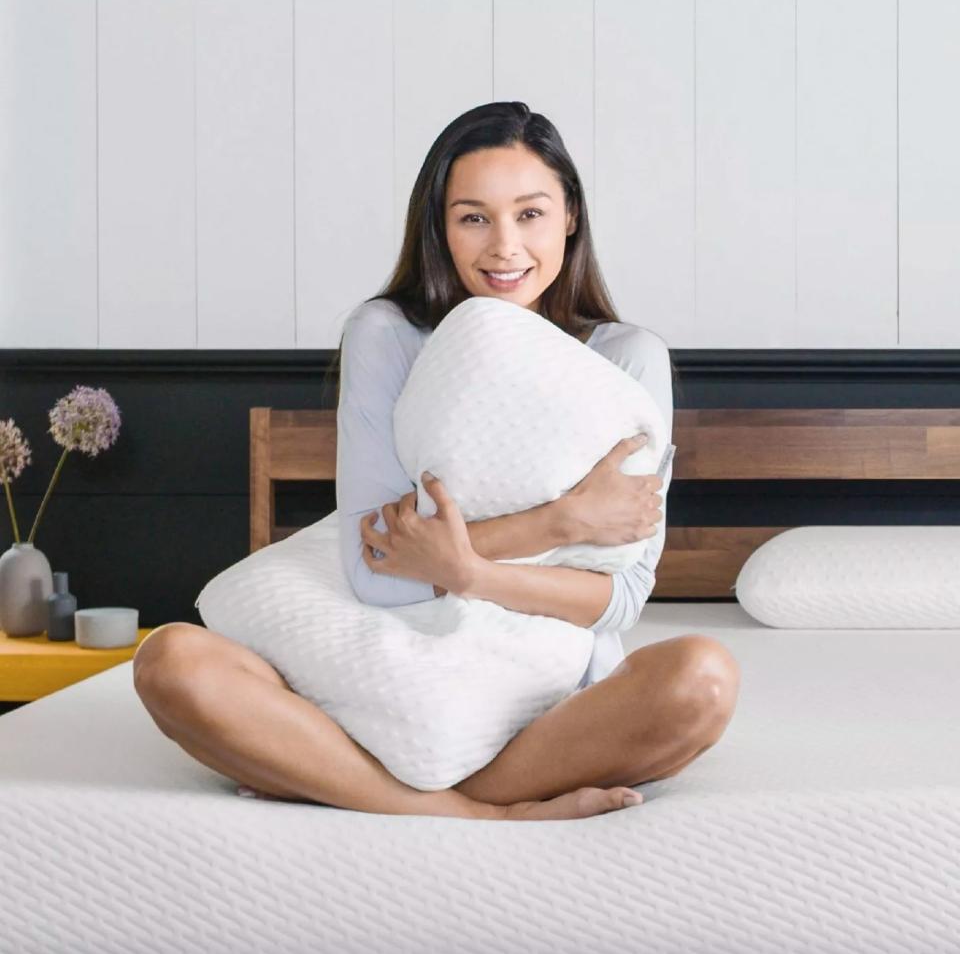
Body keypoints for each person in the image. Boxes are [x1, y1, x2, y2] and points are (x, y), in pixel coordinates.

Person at [133, 101, 740, 822]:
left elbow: (622, 599)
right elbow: (375, 575)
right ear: (440, 227)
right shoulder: (387, 333)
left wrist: (464, 570)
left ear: (570, 215)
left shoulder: (627, 358)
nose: (504, 247)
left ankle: (349, 780)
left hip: (536, 699)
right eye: (473, 217)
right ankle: (474, 811)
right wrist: (561, 520)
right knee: (169, 661)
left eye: (531, 214)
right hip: (372, 664)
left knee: (701, 679)